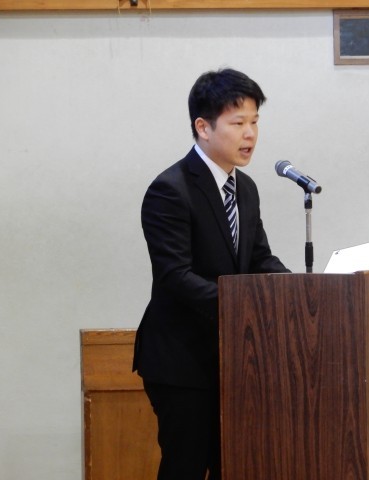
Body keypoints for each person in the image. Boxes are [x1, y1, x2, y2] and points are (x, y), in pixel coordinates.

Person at [132, 68, 290, 480]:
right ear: (203, 127)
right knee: (185, 468)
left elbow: (259, 259)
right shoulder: (171, 189)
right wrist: (245, 308)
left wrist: (300, 292)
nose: (250, 134)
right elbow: (175, 276)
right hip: (181, 361)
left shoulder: (245, 188)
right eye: (238, 123)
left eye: (255, 121)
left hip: (233, 359)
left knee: (234, 466)